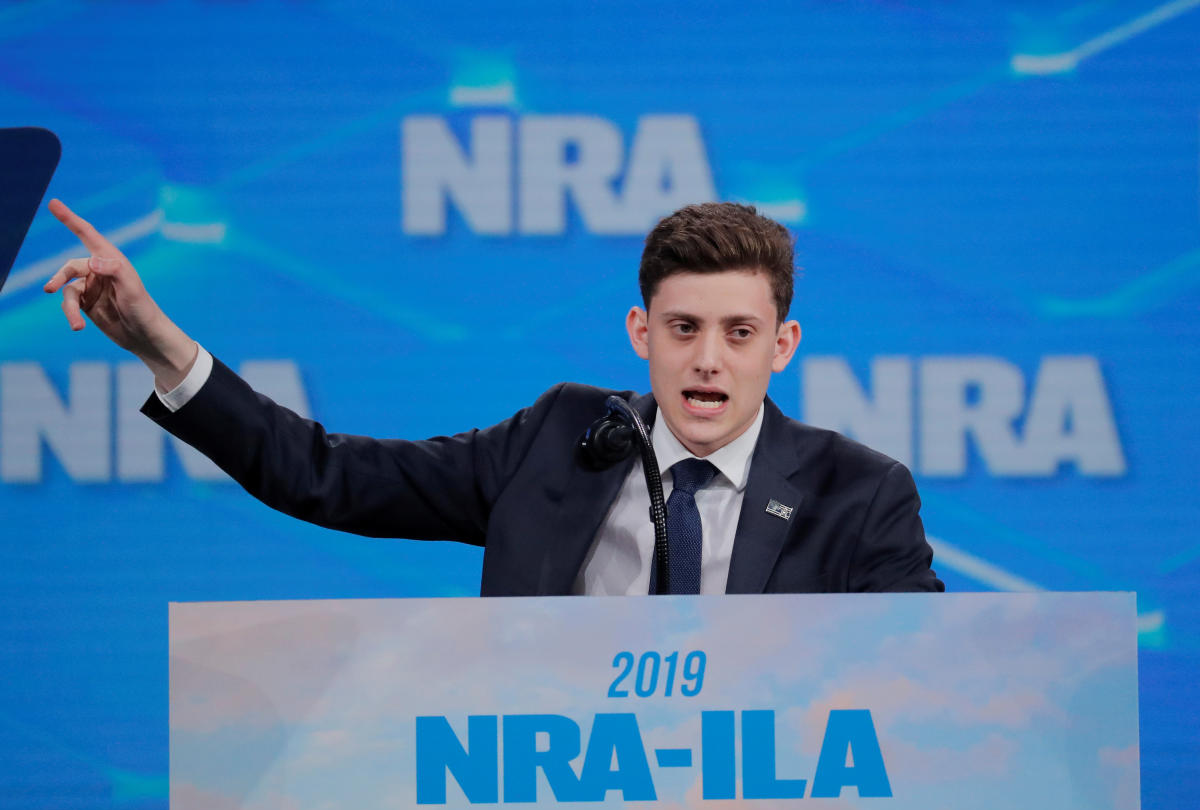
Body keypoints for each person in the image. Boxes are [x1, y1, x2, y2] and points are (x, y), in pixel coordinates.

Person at [44, 198, 943, 595]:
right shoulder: (561, 440)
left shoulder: (859, 497)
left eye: (739, 333)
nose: (709, 360)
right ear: (641, 334)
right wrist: (163, 346)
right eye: (683, 329)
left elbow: (928, 691)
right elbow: (325, 476)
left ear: (781, 345)